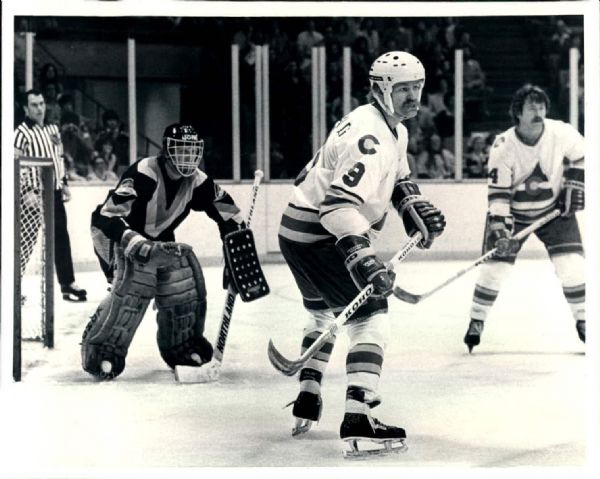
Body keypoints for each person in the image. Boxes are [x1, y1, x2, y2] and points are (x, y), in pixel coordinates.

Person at [277, 52, 446, 455]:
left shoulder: (389, 128)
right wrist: (363, 259)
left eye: (416, 87)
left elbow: (398, 177)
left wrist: (412, 211)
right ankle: (358, 416)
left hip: (294, 231)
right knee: (371, 319)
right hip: (321, 236)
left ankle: (308, 395)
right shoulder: (368, 137)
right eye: (402, 89)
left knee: (321, 311)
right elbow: (336, 207)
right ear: (380, 89)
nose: (412, 96)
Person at [82, 123, 246, 380]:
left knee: (180, 282)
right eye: (181, 150)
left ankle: (180, 345)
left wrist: (237, 253)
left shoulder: (198, 181)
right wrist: (136, 244)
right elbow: (108, 216)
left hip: (157, 237)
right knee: (130, 288)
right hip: (113, 233)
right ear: (166, 151)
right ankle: (103, 348)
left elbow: (230, 215)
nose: (187, 158)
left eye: (192, 151)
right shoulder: (144, 172)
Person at [464, 84, 585, 352]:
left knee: (573, 266)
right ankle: (476, 320)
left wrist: (575, 184)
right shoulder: (503, 146)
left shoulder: (561, 132)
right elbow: (498, 194)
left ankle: (586, 321)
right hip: (514, 215)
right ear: (517, 113)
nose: (538, 111)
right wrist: (499, 228)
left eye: (541, 106)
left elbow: (583, 155)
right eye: (531, 107)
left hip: (554, 211)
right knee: (495, 271)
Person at [14, 89, 87, 302]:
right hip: (32, 195)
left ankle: (67, 283)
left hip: (53, 192)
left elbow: (59, 158)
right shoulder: (20, 133)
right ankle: (12, 287)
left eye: (42, 103)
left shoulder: (53, 129)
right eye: (34, 105)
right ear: (26, 108)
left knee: (60, 238)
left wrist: (63, 183)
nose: (39, 108)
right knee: (25, 241)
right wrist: (26, 191)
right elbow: (17, 165)